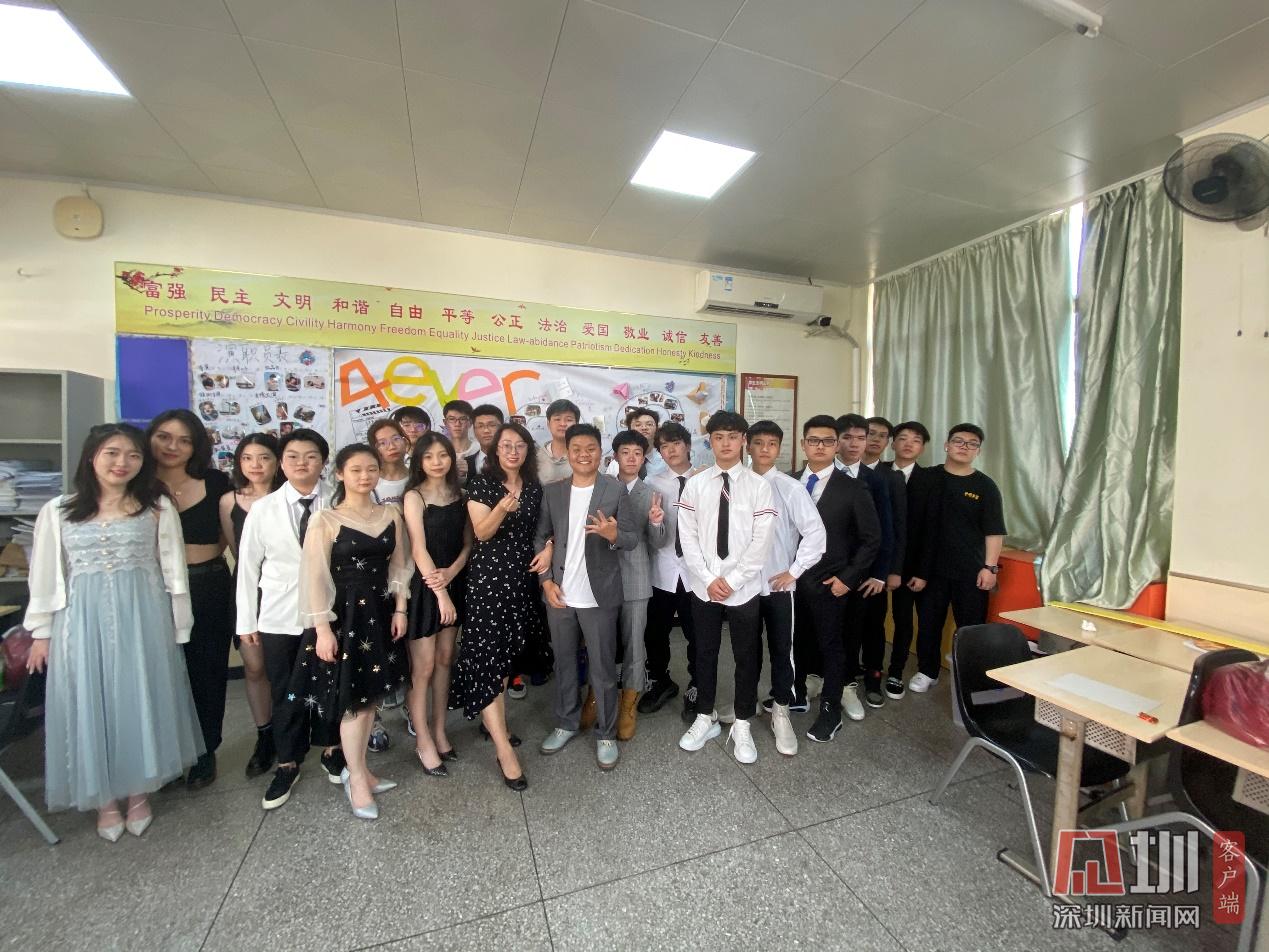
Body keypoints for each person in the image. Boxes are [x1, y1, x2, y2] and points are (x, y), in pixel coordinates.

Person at [25, 424, 203, 840]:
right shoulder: (58, 510)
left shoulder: (155, 507)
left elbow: (173, 571)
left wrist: (180, 624)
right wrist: (40, 632)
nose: (122, 463)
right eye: (112, 453)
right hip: (79, 621)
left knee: (139, 697)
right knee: (89, 701)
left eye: (133, 455)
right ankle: (104, 799)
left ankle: (138, 792)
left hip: (143, 616)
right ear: (92, 456)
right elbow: (46, 574)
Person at [295, 444, 411, 820]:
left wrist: (401, 608)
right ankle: (356, 777)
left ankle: (362, 770)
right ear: (340, 474)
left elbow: (400, 565)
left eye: (371, 469)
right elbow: (314, 578)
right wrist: (322, 629)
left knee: (371, 696)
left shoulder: (390, 514)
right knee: (351, 702)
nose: (365, 476)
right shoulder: (326, 520)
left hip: (380, 614)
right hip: (344, 620)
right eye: (356, 469)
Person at [236, 430, 345, 811]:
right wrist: (246, 620)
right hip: (279, 614)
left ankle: (332, 749)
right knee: (285, 688)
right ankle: (288, 761)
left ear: (323, 462)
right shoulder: (263, 508)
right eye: (293, 456)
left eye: (311, 456)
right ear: (281, 463)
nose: (302, 463)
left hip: (329, 610)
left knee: (331, 683)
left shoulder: (339, 499)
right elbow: (247, 567)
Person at [531, 424, 638, 770]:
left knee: (603, 668)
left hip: (599, 594)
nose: (583, 454)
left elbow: (632, 537)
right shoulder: (553, 491)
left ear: (600, 451)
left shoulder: (614, 489)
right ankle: (566, 722)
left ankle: (606, 733)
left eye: (590, 448)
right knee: (563, 663)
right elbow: (541, 537)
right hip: (560, 593)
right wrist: (545, 581)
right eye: (576, 448)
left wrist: (613, 534)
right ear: (568, 451)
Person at [676, 410, 775, 764]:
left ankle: (743, 722)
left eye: (733, 436)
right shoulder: (696, 484)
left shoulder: (759, 486)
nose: (726, 443)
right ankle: (706, 716)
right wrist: (708, 579)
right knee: (704, 652)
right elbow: (687, 537)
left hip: (743, 588)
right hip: (704, 587)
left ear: (743, 441)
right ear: (710, 441)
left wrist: (732, 581)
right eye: (719, 437)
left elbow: (761, 542)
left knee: (747, 656)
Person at [451, 422, 546, 791]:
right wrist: (503, 509)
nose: (513, 451)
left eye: (520, 445)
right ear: (495, 450)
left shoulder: (534, 486)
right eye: (506, 445)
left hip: (523, 581)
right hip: (489, 582)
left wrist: (549, 547)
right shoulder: (482, 484)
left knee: (507, 658)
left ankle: (493, 723)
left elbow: (543, 528)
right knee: (490, 658)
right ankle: (503, 750)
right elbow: (482, 532)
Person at [147, 408, 232, 789]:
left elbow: (230, 537)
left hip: (208, 584)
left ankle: (204, 752)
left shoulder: (215, 482)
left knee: (207, 671)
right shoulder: (137, 484)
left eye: (184, 440)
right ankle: (164, 757)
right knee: (160, 674)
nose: (173, 447)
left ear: (196, 446)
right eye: (164, 437)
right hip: (155, 590)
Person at [794, 416, 881, 743]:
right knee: (795, 641)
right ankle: (795, 692)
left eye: (827, 441)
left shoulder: (853, 487)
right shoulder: (789, 481)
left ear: (836, 445)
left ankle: (831, 709)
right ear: (803, 444)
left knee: (832, 646)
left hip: (831, 582)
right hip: (791, 581)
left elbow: (871, 539)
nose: (820, 446)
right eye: (813, 440)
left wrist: (848, 577)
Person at [907, 424, 1006, 693]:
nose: (964, 447)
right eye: (959, 441)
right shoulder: (927, 478)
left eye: (972, 444)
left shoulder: (985, 486)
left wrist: (990, 568)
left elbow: (994, 531)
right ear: (946, 445)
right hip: (931, 570)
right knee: (929, 623)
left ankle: (970, 677)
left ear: (978, 451)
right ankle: (927, 671)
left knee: (970, 628)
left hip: (970, 571)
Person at [747, 421, 825, 757]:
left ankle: (781, 709)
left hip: (779, 587)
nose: (765, 449)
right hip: (744, 587)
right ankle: (745, 705)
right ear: (748, 446)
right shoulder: (737, 483)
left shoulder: (790, 488)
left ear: (780, 448)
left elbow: (816, 534)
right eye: (758, 442)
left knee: (782, 650)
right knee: (746, 651)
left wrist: (794, 571)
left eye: (772, 443)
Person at [402, 431, 472, 775]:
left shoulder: (462, 494)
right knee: (424, 667)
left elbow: (468, 542)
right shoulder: (414, 496)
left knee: (446, 659)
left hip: (453, 580)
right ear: (419, 461)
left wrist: (453, 573)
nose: (436, 462)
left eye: (442, 455)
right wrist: (440, 591)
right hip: (426, 587)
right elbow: (418, 549)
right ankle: (423, 740)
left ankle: (440, 730)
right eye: (428, 456)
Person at [218, 433, 283, 777]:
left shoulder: (291, 496)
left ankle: (291, 730)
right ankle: (265, 734)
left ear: (277, 462)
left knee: (285, 666)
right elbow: (237, 551)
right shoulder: (229, 501)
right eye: (247, 458)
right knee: (255, 667)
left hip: (286, 590)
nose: (255, 465)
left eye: (264, 457)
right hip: (248, 591)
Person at [603, 429, 669, 740]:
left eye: (637, 453)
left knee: (634, 643)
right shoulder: (602, 488)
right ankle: (598, 695)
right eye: (625, 452)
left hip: (636, 577)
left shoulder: (651, 492)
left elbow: (659, 543)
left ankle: (629, 702)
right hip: (602, 577)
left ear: (644, 459)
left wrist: (656, 522)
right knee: (602, 642)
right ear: (615, 456)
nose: (631, 458)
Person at [832, 413, 895, 723]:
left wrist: (880, 573)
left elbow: (887, 529)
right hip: (824, 569)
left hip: (863, 571)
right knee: (822, 629)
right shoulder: (819, 473)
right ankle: (820, 678)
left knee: (856, 630)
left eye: (861, 437)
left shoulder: (878, 479)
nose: (855, 443)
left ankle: (849, 685)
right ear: (836, 441)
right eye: (847, 437)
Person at [639, 421, 700, 720]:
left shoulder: (706, 480)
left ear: (687, 446)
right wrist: (655, 521)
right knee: (655, 632)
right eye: (664, 446)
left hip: (696, 574)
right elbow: (650, 533)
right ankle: (660, 681)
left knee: (697, 634)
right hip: (661, 570)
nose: (671, 450)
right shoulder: (652, 483)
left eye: (676, 443)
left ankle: (697, 685)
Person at [880, 421, 933, 699]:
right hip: (876, 562)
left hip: (911, 565)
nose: (909, 444)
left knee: (903, 620)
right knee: (871, 620)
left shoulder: (930, 481)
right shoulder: (878, 472)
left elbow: (932, 530)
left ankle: (896, 672)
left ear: (922, 447)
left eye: (916, 440)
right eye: (903, 438)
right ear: (893, 443)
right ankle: (869, 667)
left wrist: (922, 571)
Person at [859, 416, 907, 709]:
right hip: (845, 566)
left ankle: (873, 676)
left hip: (876, 568)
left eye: (882, 436)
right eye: (870, 434)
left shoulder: (891, 478)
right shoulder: (842, 471)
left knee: (874, 625)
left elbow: (897, 528)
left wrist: (892, 570)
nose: (875, 440)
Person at [604, 407, 664, 479]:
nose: (644, 428)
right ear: (629, 430)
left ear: (657, 429)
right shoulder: (616, 463)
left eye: (649, 424)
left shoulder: (665, 460)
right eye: (638, 425)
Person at [368, 418, 410, 506]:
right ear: (375, 449)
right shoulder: (369, 483)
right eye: (382, 443)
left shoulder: (417, 476)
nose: (392, 447)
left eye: (396, 439)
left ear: (405, 441)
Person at [535, 398, 578, 485]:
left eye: (569, 420)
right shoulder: (536, 457)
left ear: (576, 425)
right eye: (557, 419)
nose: (563, 424)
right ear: (548, 424)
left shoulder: (584, 456)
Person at [466, 404, 504, 485]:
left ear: (502, 428)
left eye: (492, 425)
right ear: (474, 430)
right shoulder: (466, 463)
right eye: (480, 426)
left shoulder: (513, 459)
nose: (486, 430)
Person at [442, 400, 475, 481]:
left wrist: (470, 471)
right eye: (452, 419)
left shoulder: (479, 449)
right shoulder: (439, 450)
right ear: (445, 422)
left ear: (470, 422)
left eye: (462, 419)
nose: (457, 424)